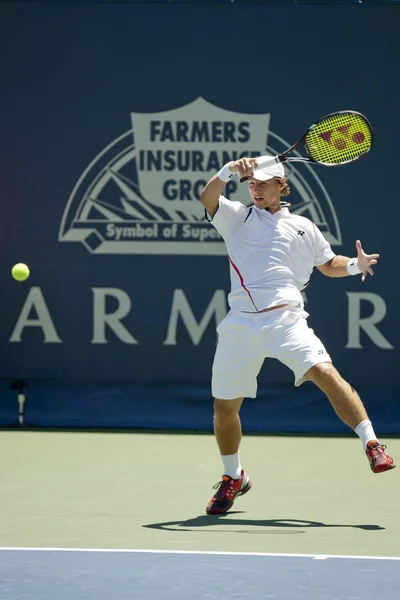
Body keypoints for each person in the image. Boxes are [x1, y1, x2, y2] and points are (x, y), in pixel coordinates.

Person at [199, 156, 396, 515]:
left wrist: (355, 265)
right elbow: (207, 198)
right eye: (252, 184)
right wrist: (229, 170)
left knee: (326, 373)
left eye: (263, 184)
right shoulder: (236, 217)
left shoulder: (303, 227)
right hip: (241, 325)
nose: (256, 189)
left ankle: (372, 444)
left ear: (281, 186)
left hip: (287, 321)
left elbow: (327, 264)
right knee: (224, 408)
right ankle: (233, 477)